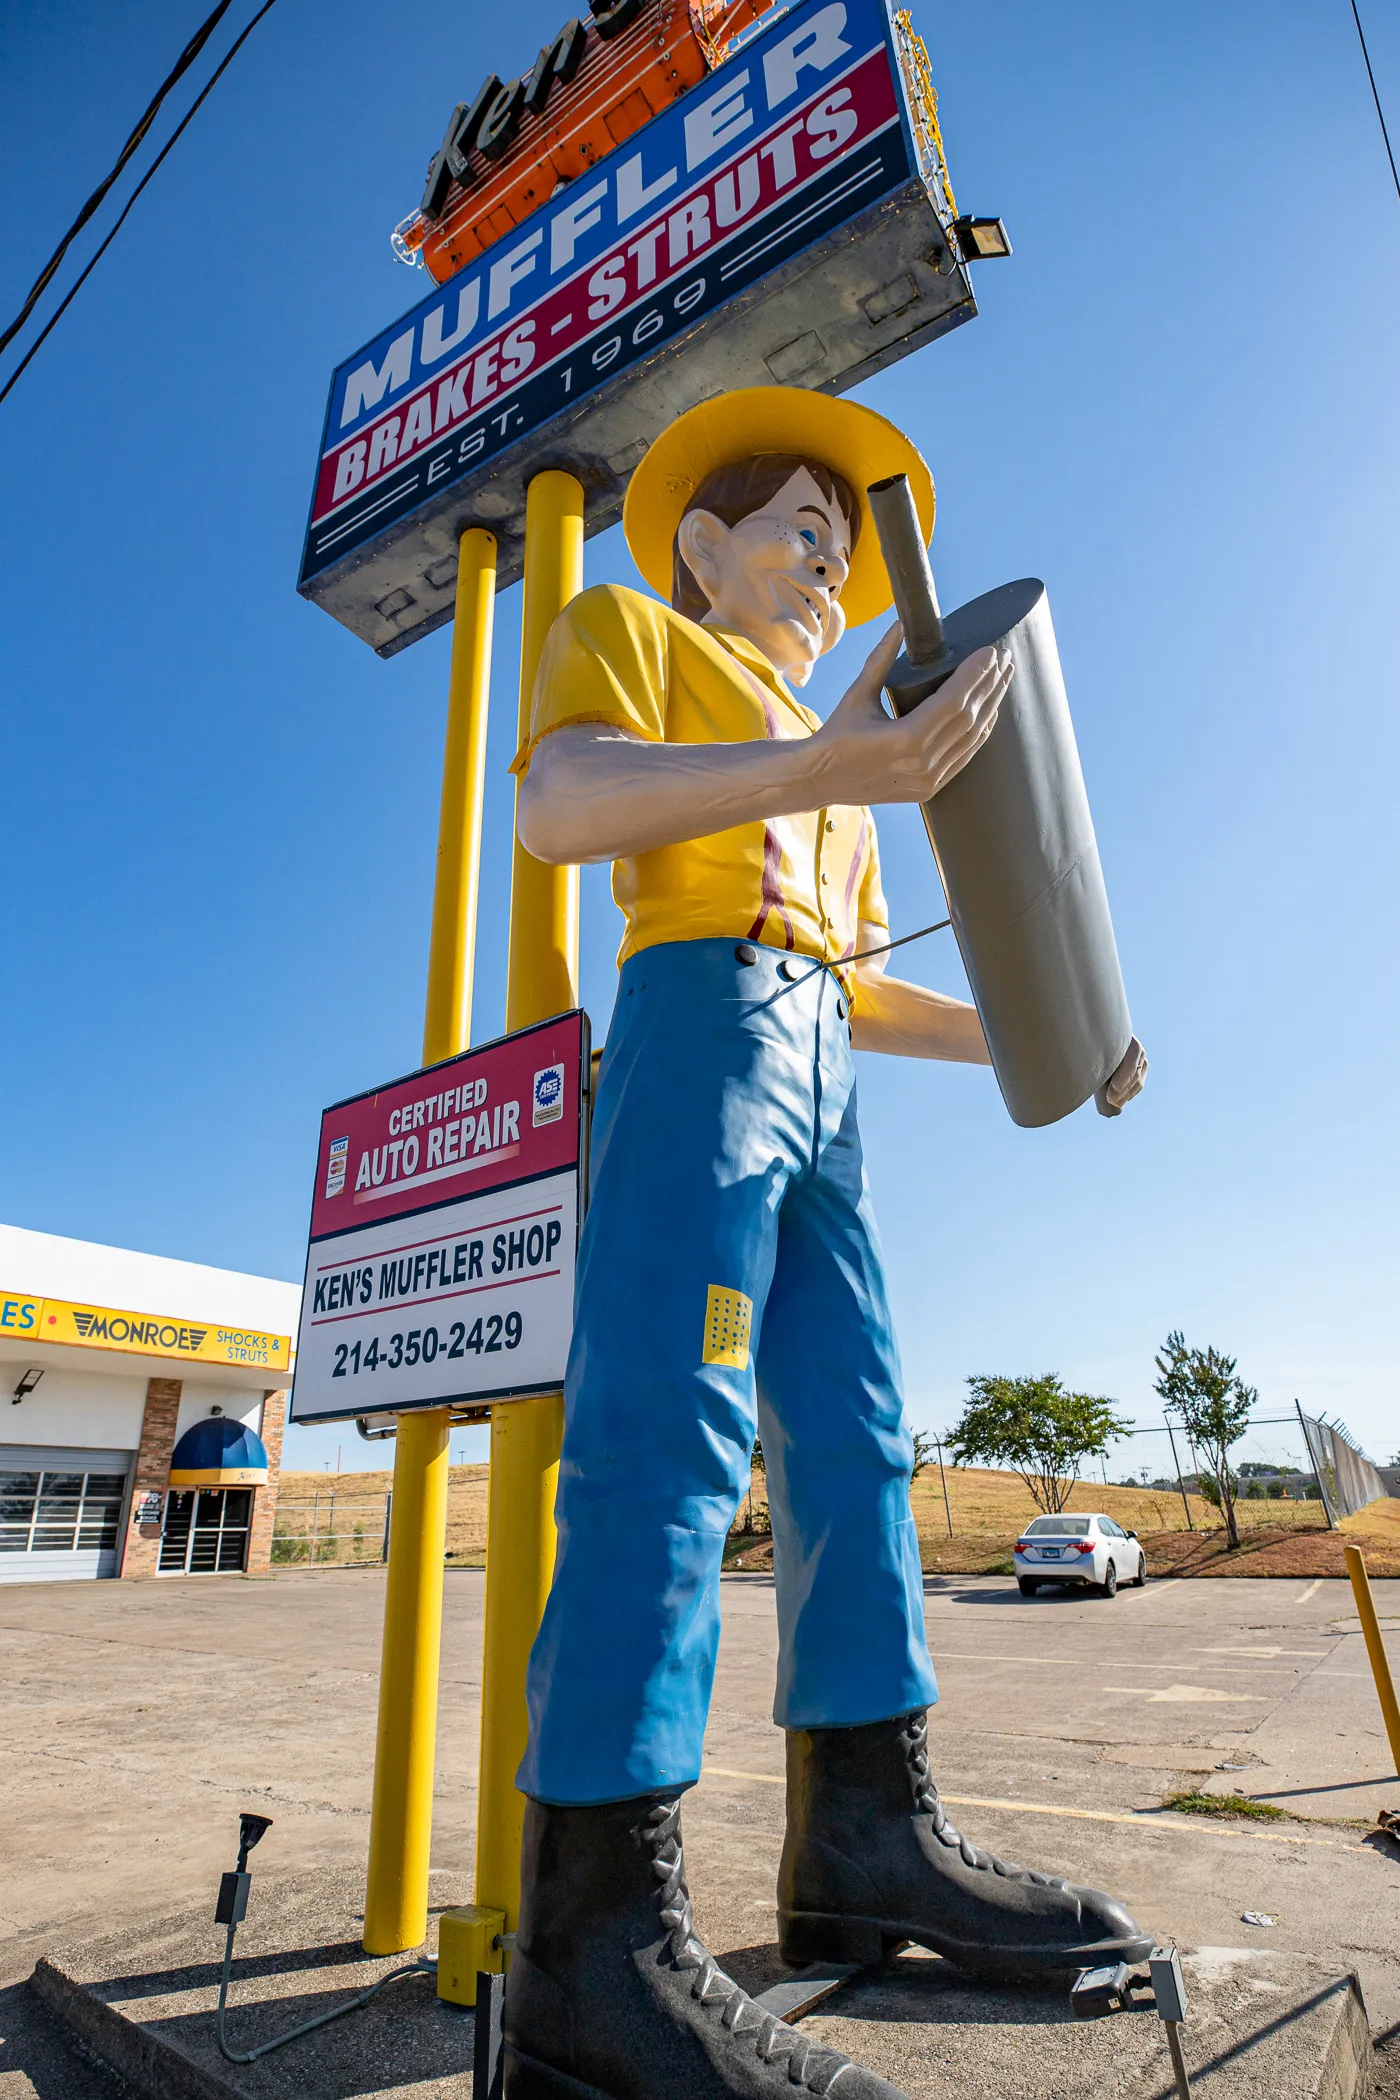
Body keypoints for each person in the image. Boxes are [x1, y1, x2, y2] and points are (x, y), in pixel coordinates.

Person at [501, 388, 1149, 2100]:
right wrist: (822, 760)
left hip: (817, 1068)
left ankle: (864, 1841)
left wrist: (1056, 1036)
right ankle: (592, 1943)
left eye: (841, 551)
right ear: (705, 547)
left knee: (857, 1443)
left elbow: (861, 982)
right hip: (699, 1025)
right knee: (670, 1431)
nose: (825, 569)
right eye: (799, 530)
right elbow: (560, 809)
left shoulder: (844, 787)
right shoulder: (632, 628)